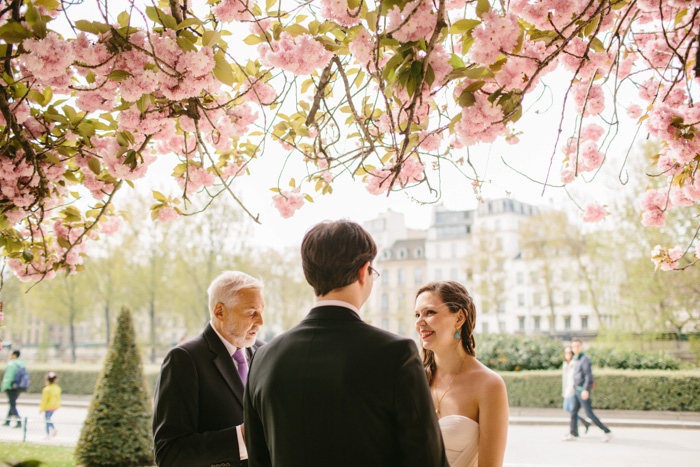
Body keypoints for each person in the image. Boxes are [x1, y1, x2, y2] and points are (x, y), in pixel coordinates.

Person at [244, 220, 448, 467]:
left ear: (310, 276)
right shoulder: (395, 354)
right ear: (364, 271)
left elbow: (258, 460)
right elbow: (428, 460)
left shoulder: (263, 358)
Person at [153, 271, 265, 467]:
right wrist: (242, 438)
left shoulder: (264, 353)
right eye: (251, 312)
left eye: (262, 311)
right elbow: (169, 453)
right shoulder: (183, 360)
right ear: (219, 311)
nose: (260, 321)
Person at [415, 281, 509, 467]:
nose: (419, 322)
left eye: (430, 312)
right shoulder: (415, 381)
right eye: (417, 314)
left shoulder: (489, 385)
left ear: (459, 318)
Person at [564, 338, 613, 442]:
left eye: (577, 346)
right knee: (573, 412)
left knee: (589, 413)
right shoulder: (576, 359)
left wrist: (586, 389)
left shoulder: (584, 359)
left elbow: (588, 376)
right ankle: (573, 433)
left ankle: (607, 431)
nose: (575, 348)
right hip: (576, 390)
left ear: (581, 346)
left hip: (582, 390)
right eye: (573, 346)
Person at [562, 346, 590, 434]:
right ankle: (583, 422)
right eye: (566, 353)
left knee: (572, 411)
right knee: (569, 409)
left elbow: (574, 378)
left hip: (572, 390)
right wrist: (564, 390)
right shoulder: (565, 363)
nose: (567, 355)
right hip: (567, 390)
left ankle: (574, 431)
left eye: (569, 353)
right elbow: (565, 379)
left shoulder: (574, 363)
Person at [1, 350, 26, 428]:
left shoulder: (12, 364)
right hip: (19, 387)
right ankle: (7, 421)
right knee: (12, 403)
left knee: (12, 404)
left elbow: (8, 377)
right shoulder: (22, 363)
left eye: (10, 354)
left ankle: (18, 421)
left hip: (11, 386)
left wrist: (3, 386)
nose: (9, 356)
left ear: (14, 355)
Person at [39, 371, 61, 438]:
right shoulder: (57, 388)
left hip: (48, 407)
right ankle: (51, 431)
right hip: (54, 406)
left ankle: (48, 433)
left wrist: (42, 408)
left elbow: (44, 400)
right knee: (48, 419)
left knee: (47, 420)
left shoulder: (46, 389)